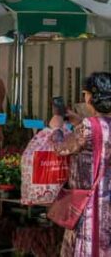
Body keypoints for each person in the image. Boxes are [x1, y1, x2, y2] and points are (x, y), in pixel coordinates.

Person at [49, 72, 111, 256]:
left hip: (88, 203)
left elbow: (61, 148)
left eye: (85, 94)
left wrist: (56, 128)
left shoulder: (89, 126)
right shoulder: (93, 125)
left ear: (92, 97)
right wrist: (78, 121)